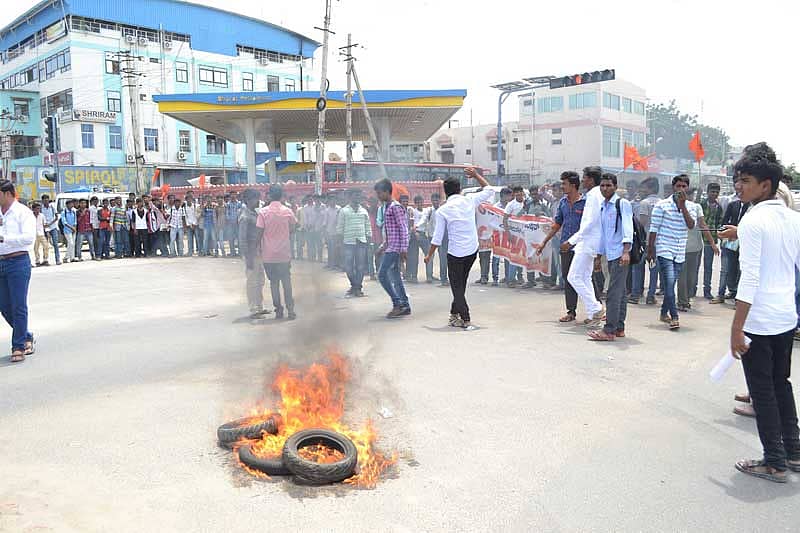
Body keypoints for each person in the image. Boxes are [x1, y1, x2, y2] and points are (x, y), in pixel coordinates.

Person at [728, 142, 800, 483]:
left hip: (760, 321)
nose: (738, 186)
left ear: (765, 186)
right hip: (785, 317)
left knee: (764, 391)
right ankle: (795, 451)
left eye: (745, 180)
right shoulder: (792, 218)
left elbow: (750, 278)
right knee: (781, 384)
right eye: (737, 180)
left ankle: (774, 461)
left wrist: (736, 328)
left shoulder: (754, 220)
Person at [425, 167, 493, 328]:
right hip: (471, 250)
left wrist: (429, 255)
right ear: (460, 189)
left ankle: (466, 318)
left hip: (456, 253)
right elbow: (489, 190)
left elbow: (437, 238)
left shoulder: (442, 210)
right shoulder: (469, 200)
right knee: (460, 285)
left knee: (457, 288)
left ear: (445, 192)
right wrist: (476, 175)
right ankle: (454, 314)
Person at [647, 174, 696, 330]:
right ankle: (674, 316)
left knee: (670, 284)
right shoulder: (661, 205)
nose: (681, 189)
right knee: (669, 282)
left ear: (687, 188)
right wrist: (651, 250)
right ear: (673, 187)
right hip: (664, 248)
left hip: (680, 250)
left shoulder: (692, 206)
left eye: (684, 186)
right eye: (678, 186)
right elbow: (653, 229)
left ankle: (663, 313)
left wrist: (683, 207)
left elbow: (690, 225)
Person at [536, 171, 587, 323]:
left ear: (573, 185)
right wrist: (544, 242)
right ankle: (571, 312)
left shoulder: (586, 202)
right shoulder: (563, 203)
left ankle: (595, 310)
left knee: (587, 279)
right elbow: (557, 224)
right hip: (565, 247)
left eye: (564, 184)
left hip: (583, 248)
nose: (562, 186)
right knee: (568, 279)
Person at [587, 173, 633, 341]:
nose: (605, 188)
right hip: (609, 254)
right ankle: (619, 327)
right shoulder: (603, 206)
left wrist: (626, 251)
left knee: (613, 293)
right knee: (619, 292)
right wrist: (598, 257)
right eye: (603, 186)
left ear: (615, 186)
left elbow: (628, 229)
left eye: (608, 185)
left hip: (621, 254)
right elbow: (603, 234)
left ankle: (609, 330)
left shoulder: (622, 204)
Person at [0, 180, 36, 362]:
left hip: (18, 261)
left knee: (18, 305)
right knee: (4, 305)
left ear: (7, 194)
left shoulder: (23, 212)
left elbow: (29, 238)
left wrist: (4, 239)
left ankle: (18, 346)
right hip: (1, 262)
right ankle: (26, 334)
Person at [564, 166, 605, 326]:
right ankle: (592, 313)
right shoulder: (595, 194)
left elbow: (589, 222)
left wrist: (571, 241)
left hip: (588, 241)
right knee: (584, 277)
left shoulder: (594, 195)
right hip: (588, 241)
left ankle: (596, 308)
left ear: (591, 179)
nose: (582, 180)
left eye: (584, 177)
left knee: (573, 277)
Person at [256, 185, 297, 320]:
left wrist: (257, 249)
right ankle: (290, 310)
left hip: (269, 255)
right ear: (281, 195)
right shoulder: (288, 211)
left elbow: (259, 233)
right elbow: (293, 227)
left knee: (274, 283)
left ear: (269, 195)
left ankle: (278, 310)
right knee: (286, 282)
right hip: (284, 253)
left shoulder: (263, 212)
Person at [374, 179, 410, 318]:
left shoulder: (395, 207)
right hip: (391, 247)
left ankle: (398, 303)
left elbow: (403, 228)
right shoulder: (387, 207)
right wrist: (382, 247)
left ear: (386, 192)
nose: (378, 196)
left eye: (379, 193)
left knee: (382, 275)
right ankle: (404, 305)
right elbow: (390, 232)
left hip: (395, 249)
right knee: (396, 278)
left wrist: (404, 249)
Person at [712, 178, 750, 304]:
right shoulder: (732, 205)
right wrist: (723, 233)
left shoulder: (753, 208)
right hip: (729, 241)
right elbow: (724, 221)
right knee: (725, 269)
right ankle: (721, 294)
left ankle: (738, 298)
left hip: (745, 243)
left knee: (741, 270)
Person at [677, 191, 715, 312]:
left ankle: (686, 298)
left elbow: (703, 225)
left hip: (695, 248)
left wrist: (712, 243)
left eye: (689, 194)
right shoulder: (674, 207)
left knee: (691, 277)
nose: (688, 197)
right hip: (680, 247)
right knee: (682, 276)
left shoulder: (696, 207)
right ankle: (682, 301)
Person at [629, 177, 662, 305]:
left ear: (651, 188)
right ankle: (651, 295)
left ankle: (635, 294)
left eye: (644, 188)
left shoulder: (644, 203)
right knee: (654, 270)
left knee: (637, 268)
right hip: (657, 242)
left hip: (644, 241)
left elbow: (642, 222)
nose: (642, 190)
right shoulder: (662, 203)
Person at [238, 189, 269, 319]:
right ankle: (253, 308)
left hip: (258, 251)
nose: (259, 201)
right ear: (250, 200)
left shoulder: (253, 213)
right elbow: (242, 238)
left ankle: (259, 306)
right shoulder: (245, 216)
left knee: (260, 280)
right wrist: (247, 256)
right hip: (251, 253)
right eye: (257, 198)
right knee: (252, 281)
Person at [337, 190, 372, 297]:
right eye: (355, 195)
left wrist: (369, 241)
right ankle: (355, 286)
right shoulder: (344, 211)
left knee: (360, 267)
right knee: (348, 267)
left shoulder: (364, 211)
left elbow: (368, 226)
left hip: (361, 242)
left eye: (359, 196)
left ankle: (357, 288)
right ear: (350, 197)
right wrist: (339, 243)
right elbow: (340, 228)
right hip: (348, 242)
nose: (357, 197)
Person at [699, 183, 723, 299]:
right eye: (712, 191)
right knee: (696, 265)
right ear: (707, 192)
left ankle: (707, 290)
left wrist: (719, 232)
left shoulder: (719, 207)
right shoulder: (701, 204)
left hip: (711, 238)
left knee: (708, 266)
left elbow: (719, 222)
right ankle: (692, 288)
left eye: (716, 192)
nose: (714, 194)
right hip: (699, 237)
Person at [408, 195, 434, 283]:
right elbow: (411, 222)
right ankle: (414, 276)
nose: (420, 204)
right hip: (415, 234)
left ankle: (429, 276)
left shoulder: (426, 211)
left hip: (423, 234)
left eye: (421, 202)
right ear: (415, 204)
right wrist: (414, 232)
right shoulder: (413, 211)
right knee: (414, 257)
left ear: (423, 202)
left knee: (429, 254)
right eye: (417, 203)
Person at [503, 186, 526, 287]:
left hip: (525, 233)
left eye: (520, 192)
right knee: (514, 256)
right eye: (517, 192)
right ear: (514, 194)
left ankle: (520, 277)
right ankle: (511, 279)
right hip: (514, 234)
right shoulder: (511, 205)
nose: (519, 194)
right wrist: (508, 233)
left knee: (522, 256)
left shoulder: (527, 202)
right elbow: (505, 219)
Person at [490, 187, 513, 287]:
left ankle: (508, 278)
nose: (508, 198)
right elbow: (491, 221)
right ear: (502, 196)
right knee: (496, 258)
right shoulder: (495, 207)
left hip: (508, 235)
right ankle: (495, 278)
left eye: (510, 196)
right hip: (498, 235)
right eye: (507, 195)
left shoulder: (512, 207)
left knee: (508, 257)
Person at [427, 192, 448, 286]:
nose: (435, 202)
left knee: (443, 258)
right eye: (434, 200)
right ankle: (429, 276)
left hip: (442, 238)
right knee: (430, 257)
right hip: (431, 237)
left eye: (437, 200)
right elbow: (424, 220)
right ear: (431, 201)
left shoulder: (443, 211)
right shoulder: (429, 211)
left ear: (439, 201)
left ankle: (444, 278)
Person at [40, 194, 60, 265]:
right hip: (44, 228)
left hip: (53, 227)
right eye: (44, 200)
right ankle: (45, 260)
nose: (46, 201)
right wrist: (45, 225)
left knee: (55, 244)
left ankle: (57, 259)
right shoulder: (41, 208)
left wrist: (50, 224)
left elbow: (56, 217)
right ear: (42, 201)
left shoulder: (52, 207)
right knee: (45, 245)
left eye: (47, 200)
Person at [184, 191, 200, 256]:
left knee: (197, 238)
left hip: (195, 225)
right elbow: (185, 216)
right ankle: (190, 251)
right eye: (188, 198)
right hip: (188, 225)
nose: (189, 200)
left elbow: (197, 215)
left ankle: (199, 251)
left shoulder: (196, 206)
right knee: (189, 239)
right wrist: (188, 224)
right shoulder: (184, 207)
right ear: (186, 199)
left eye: (190, 198)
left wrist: (194, 223)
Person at [62, 199, 77, 263]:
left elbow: (75, 221)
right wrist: (71, 228)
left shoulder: (73, 211)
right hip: (67, 230)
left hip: (73, 230)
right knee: (71, 243)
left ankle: (72, 257)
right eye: (70, 204)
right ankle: (66, 257)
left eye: (72, 204)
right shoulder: (64, 212)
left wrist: (74, 228)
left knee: (72, 244)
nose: (72, 205)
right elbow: (64, 222)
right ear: (67, 205)